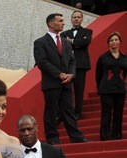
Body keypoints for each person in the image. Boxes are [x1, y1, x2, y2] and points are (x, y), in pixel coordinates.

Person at [33, 13, 88, 145]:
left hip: (67, 83)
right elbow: (42, 62)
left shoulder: (65, 42)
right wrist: (59, 74)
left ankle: (76, 137)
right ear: (51, 24)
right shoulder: (40, 42)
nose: (64, 23)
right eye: (60, 21)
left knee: (69, 110)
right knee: (51, 110)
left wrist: (71, 74)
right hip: (51, 83)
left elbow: (72, 61)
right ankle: (52, 139)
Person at [61, 11, 92, 119]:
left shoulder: (88, 31)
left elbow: (85, 42)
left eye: (79, 17)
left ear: (82, 19)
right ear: (71, 19)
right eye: (74, 17)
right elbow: (64, 44)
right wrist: (77, 42)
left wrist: (72, 41)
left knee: (79, 90)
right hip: (67, 66)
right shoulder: (64, 34)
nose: (76, 19)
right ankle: (66, 113)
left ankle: (78, 113)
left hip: (80, 65)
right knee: (66, 91)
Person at [95, 32, 127, 141]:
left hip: (120, 89)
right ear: (108, 43)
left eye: (116, 40)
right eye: (111, 40)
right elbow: (98, 74)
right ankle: (105, 136)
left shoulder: (124, 57)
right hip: (106, 89)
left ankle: (117, 135)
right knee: (106, 113)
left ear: (120, 42)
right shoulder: (103, 57)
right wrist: (100, 87)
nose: (114, 42)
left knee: (118, 113)